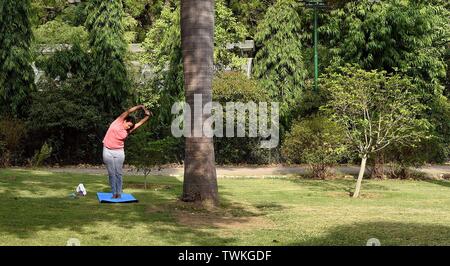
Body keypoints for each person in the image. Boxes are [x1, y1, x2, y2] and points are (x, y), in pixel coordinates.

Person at [102, 105, 152, 199]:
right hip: (107, 150)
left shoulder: (128, 130)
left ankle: (119, 192)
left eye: (130, 126)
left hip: (119, 152)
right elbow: (129, 111)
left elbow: (140, 123)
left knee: (118, 173)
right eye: (128, 125)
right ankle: (114, 192)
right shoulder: (118, 121)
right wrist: (140, 106)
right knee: (111, 173)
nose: (128, 127)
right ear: (125, 121)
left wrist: (147, 116)